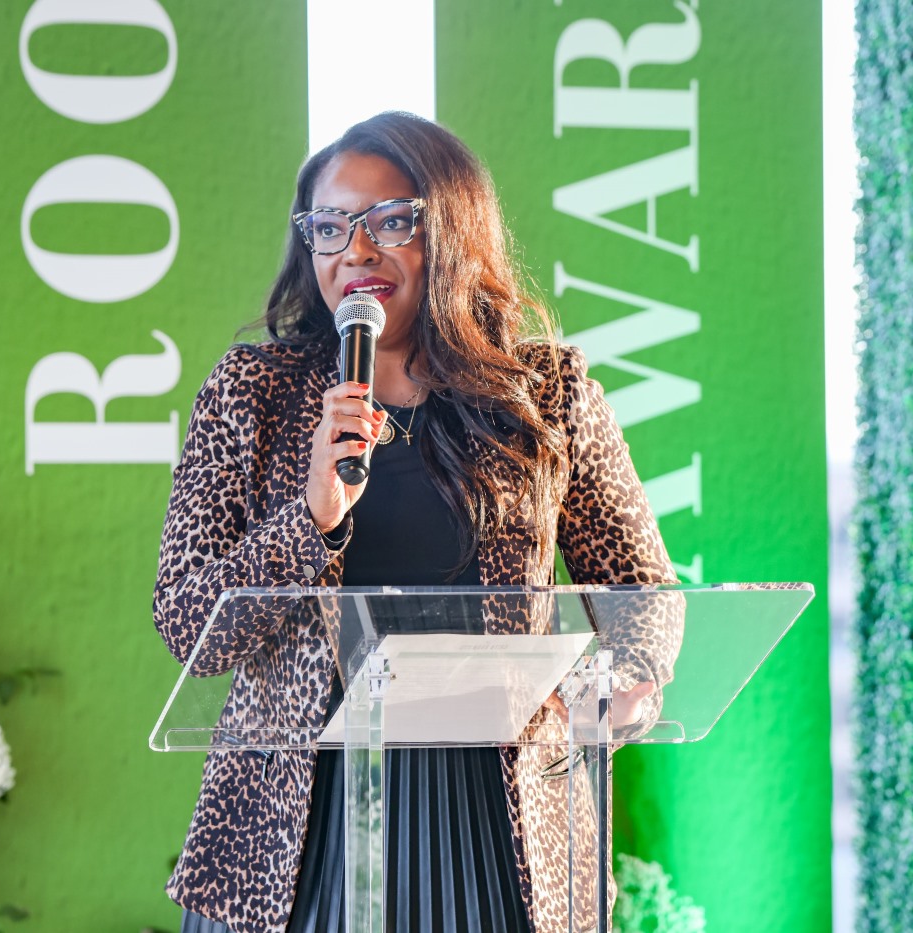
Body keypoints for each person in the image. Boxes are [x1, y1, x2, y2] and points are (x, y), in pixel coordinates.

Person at [153, 111, 678, 933]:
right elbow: (190, 624)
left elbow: (642, 590)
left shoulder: (547, 394)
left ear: (453, 231)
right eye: (331, 227)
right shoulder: (252, 391)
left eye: (390, 222)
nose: (356, 251)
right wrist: (312, 516)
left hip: (497, 823)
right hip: (299, 829)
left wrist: (623, 680)